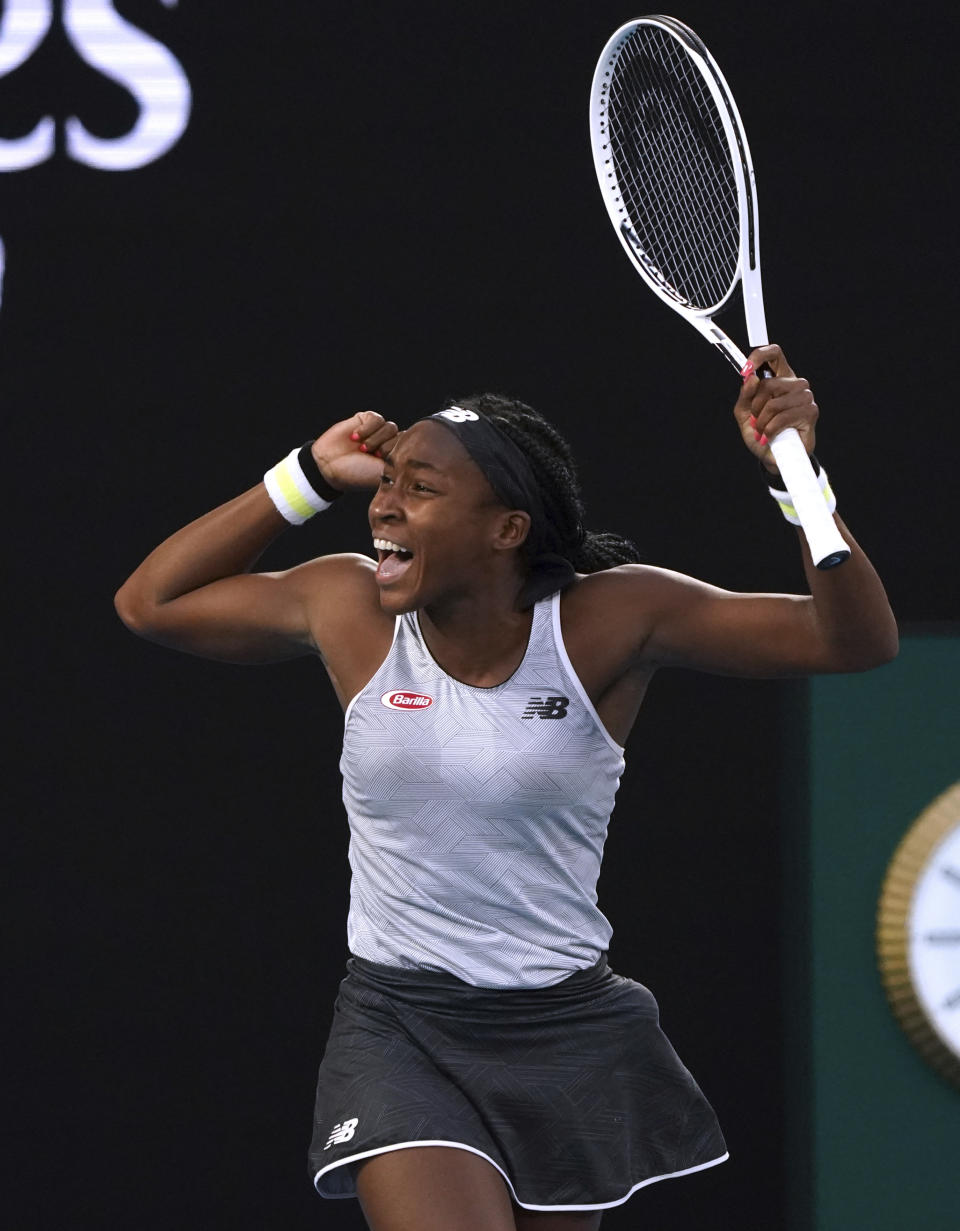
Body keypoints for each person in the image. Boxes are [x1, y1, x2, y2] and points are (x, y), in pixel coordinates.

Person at [114, 344, 897, 1231]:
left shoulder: (614, 618)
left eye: (420, 486)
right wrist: (306, 476)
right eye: (387, 479)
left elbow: (854, 643)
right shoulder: (345, 604)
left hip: (564, 1032)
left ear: (507, 529)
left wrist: (800, 477)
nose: (384, 501)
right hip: (399, 1023)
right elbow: (151, 602)